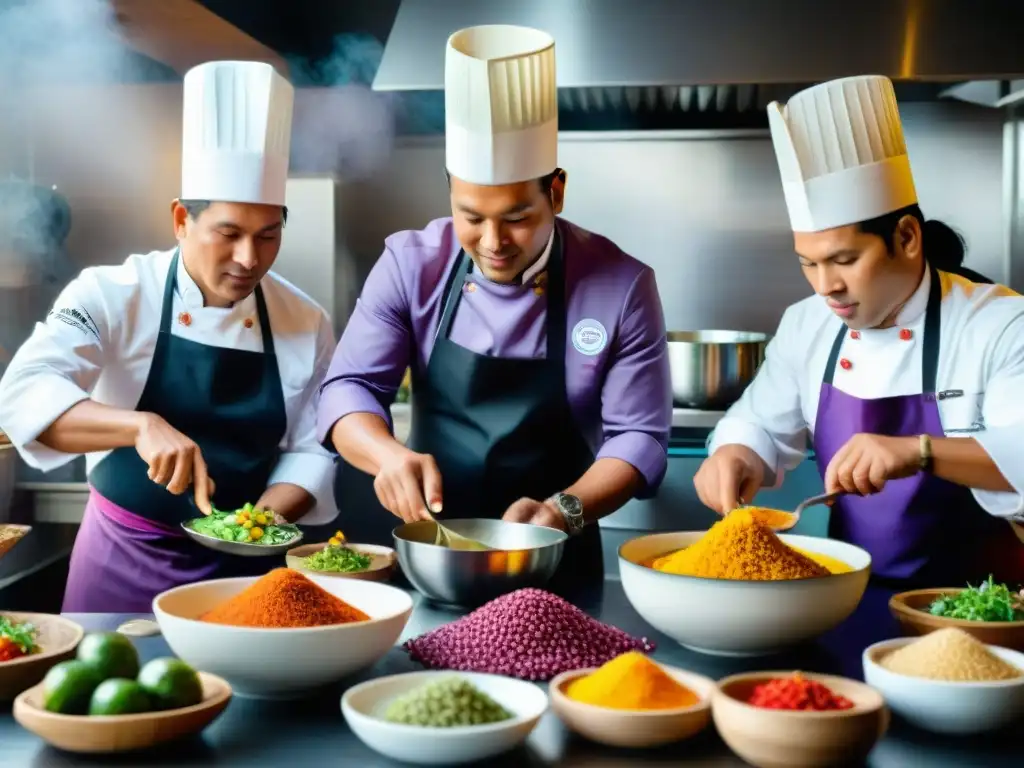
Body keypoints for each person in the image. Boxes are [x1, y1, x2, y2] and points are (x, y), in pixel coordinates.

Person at [317, 25, 672, 595]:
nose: (492, 241)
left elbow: (640, 437)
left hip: (553, 555)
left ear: (555, 192)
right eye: (471, 216)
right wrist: (385, 455)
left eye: (516, 217)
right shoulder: (411, 264)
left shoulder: (620, 285)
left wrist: (565, 511)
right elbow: (347, 390)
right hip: (431, 551)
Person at [0, 61, 337, 611]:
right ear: (182, 220)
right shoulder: (113, 293)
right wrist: (137, 426)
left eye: (268, 235)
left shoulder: (306, 319)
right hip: (121, 561)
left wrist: (260, 523)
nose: (249, 259)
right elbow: (21, 394)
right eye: (227, 234)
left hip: (244, 575)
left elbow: (311, 449)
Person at [694, 75, 1024, 587]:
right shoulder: (806, 324)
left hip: (979, 611)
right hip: (845, 595)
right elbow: (758, 421)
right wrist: (736, 453)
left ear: (907, 237)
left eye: (844, 260)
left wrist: (919, 451)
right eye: (808, 264)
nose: (827, 287)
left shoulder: (999, 324)